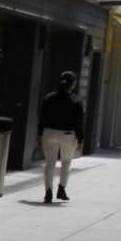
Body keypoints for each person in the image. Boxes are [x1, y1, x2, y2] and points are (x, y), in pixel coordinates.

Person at [36, 70, 85, 204]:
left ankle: (48, 192)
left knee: (49, 164)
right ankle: (61, 189)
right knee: (66, 162)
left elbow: (42, 117)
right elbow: (78, 122)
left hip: (49, 133)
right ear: (73, 84)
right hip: (68, 135)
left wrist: (39, 133)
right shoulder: (76, 101)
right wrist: (80, 139)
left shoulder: (49, 98)